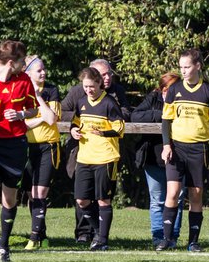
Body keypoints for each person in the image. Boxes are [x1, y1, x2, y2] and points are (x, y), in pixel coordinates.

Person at [0, 39, 53, 262]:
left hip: (14, 144)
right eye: (23, 60)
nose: (25, 65)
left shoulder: (23, 81)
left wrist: (21, 115)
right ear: (12, 62)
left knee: (9, 196)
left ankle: (4, 247)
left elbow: (33, 108)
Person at [158, 48, 209, 252]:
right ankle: (167, 239)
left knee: (195, 194)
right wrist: (167, 145)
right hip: (176, 148)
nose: (183, 71)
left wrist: (205, 137)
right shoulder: (175, 90)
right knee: (173, 192)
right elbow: (166, 120)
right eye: (181, 67)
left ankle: (193, 241)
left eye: (187, 67)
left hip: (198, 150)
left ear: (198, 66)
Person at [63, 58, 126, 243]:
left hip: (105, 158)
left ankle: (102, 240)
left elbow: (120, 128)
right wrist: (73, 130)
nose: (88, 90)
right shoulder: (81, 102)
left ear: (99, 84)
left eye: (91, 86)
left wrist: (104, 132)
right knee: (82, 200)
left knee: (103, 200)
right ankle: (98, 231)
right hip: (84, 158)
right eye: (85, 86)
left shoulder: (109, 103)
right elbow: (75, 123)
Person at [130, 72, 183, 246]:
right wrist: (161, 115)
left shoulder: (185, 100)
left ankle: (172, 236)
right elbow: (135, 116)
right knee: (157, 199)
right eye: (169, 89)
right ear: (162, 89)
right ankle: (158, 236)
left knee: (177, 198)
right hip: (153, 157)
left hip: (178, 156)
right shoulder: (152, 98)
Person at [23, 56, 62, 249]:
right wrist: (40, 119)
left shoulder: (50, 90)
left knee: (40, 192)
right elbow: (22, 124)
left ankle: (33, 237)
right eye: (38, 70)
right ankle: (42, 235)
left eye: (44, 69)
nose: (43, 73)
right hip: (29, 148)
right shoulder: (21, 90)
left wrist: (37, 97)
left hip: (49, 146)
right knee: (32, 194)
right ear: (28, 72)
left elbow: (52, 118)